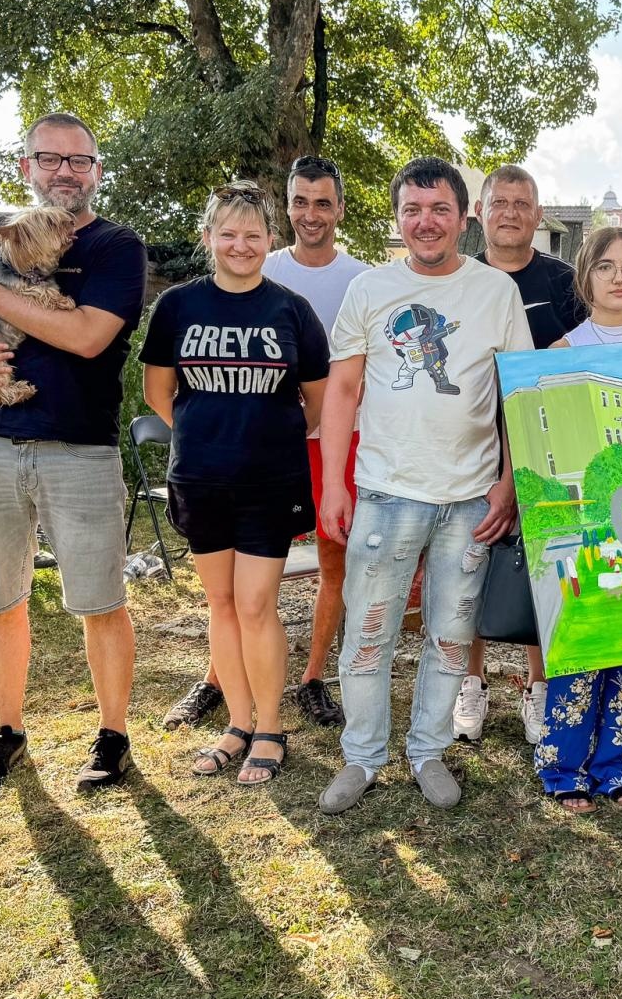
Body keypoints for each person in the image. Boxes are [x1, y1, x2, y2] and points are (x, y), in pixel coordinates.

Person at [0, 112, 148, 799]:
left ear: (97, 172)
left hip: (79, 448)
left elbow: (87, 337)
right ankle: (7, 731)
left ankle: (112, 735)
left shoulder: (116, 246)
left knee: (101, 600)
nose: (65, 172)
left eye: (79, 161)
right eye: (50, 159)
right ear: (27, 167)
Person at [315, 157, 533, 814]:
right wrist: (335, 485)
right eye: (412, 210)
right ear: (398, 218)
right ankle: (362, 756)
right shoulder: (368, 289)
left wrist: (509, 482)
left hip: (470, 500)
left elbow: (519, 394)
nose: (425, 222)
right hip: (385, 492)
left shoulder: (497, 292)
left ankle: (428, 750)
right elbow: (343, 390)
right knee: (369, 634)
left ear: (464, 217)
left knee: (450, 635)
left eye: (439, 209)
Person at [159, 155, 364, 733]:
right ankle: (219, 684)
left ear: (339, 209)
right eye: (300, 201)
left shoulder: (360, 279)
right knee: (230, 596)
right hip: (234, 450)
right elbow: (163, 388)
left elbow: (336, 385)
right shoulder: (249, 261)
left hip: (326, 439)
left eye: (323, 202)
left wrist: (297, 428)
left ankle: (312, 679)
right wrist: (207, 429)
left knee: (328, 560)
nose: (311, 213)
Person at [142, 182, 329, 784]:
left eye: (252, 235)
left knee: (255, 604)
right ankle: (237, 723)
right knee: (220, 604)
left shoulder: (291, 310)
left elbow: (318, 401)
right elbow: (159, 392)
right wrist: (207, 433)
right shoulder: (177, 306)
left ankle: (270, 727)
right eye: (228, 234)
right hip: (200, 478)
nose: (240, 245)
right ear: (208, 239)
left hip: (270, 481)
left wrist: (260, 435)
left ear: (270, 240)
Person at [454, 164, 585, 746]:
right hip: (469, 444)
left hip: (545, 449)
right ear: (480, 212)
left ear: (538, 215)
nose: (510, 212)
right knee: (469, 565)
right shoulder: (457, 278)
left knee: (542, 572)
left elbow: (585, 360)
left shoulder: (564, 282)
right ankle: (471, 682)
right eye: (499, 202)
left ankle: (538, 687)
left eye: (522, 203)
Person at [532, 226, 622, 811]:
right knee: (581, 641)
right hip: (583, 518)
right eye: (605, 266)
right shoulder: (563, 352)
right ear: (585, 278)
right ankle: (563, 768)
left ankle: (613, 764)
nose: (618, 277)